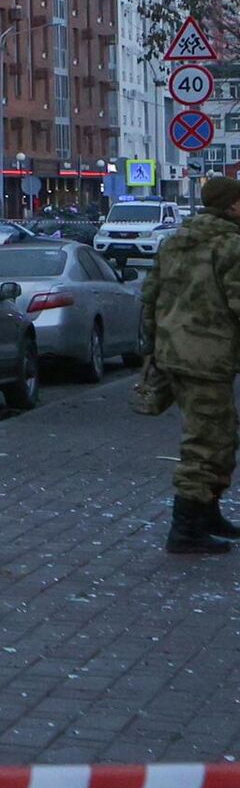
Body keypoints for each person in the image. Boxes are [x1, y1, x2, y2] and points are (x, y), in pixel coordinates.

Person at [142, 173, 240, 554]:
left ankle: (207, 515)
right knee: (206, 443)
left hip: (175, 353)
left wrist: (152, 349)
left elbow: (150, 298)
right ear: (231, 205)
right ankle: (185, 531)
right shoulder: (230, 245)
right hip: (207, 356)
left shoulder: (175, 242)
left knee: (218, 436)